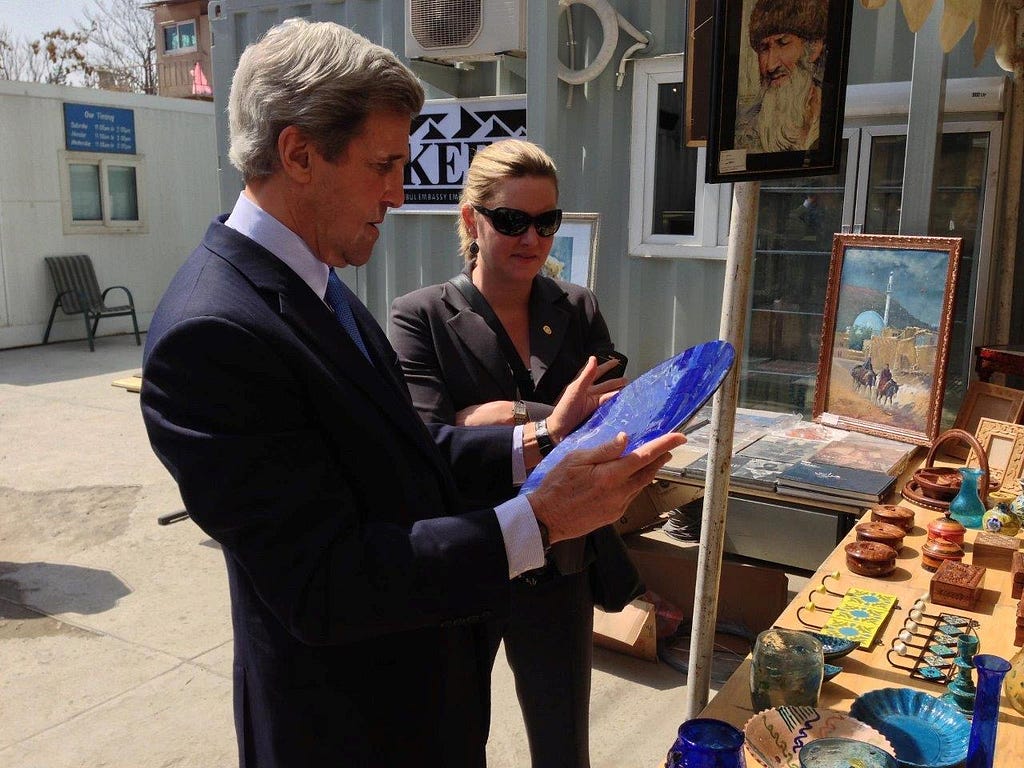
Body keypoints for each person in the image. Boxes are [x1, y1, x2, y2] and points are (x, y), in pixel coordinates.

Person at [138, 18, 683, 768]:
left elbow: (405, 454)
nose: (398, 193)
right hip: (348, 731)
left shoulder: (315, 282)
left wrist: (539, 442)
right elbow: (327, 583)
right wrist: (538, 521)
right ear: (298, 152)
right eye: (383, 164)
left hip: (419, 708)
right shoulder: (214, 334)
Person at [390, 139, 634, 768]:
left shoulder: (575, 307)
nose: (532, 239)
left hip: (561, 554)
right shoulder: (420, 317)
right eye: (511, 220)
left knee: (562, 743)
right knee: (450, 738)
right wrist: (554, 424)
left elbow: (614, 419)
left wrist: (503, 418)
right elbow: (426, 448)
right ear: (472, 219)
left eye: (546, 222)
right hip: (473, 549)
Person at [734, 0, 828, 153]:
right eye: (764, 48)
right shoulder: (745, 130)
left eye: (783, 43)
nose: (770, 65)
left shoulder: (829, 121)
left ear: (814, 46)